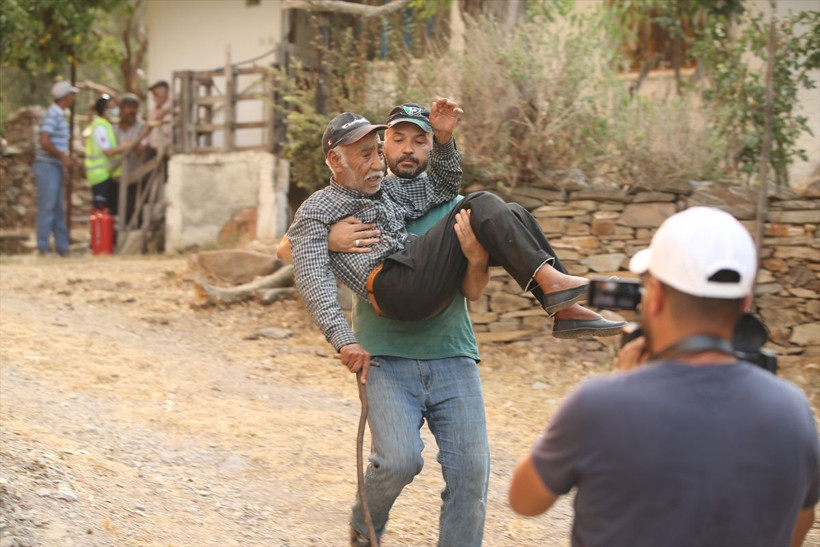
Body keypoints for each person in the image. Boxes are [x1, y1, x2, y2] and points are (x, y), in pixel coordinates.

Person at [508, 207, 819, 547]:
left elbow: (524, 500)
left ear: (654, 296)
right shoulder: (793, 411)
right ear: (744, 304)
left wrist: (623, 388)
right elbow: (796, 530)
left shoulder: (599, 404)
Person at [279, 103, 493, 546]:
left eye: (420, 140)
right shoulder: (348, 202)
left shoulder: (436, 200)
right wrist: (328, 238)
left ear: (433, 147)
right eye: (394, 142)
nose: (399, 152)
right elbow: (295, 251)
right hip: (386, 356)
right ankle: (366, 522)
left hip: (452, 352)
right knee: (397, 461)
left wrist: (476, 259)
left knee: (472, 474)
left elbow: (473, 290)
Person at [287, 101, 624, 380]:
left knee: (515, 212)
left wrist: (445, 141)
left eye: (377, 153)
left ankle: (566, 310)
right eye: (365, 156)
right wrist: (344, 342)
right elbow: (313, 282)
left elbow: (445, 186)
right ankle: (555, 286)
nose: (377, 163)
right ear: (335, 161)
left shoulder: (387, 189)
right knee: (481, 202)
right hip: (393, 286)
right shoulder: (317, 209)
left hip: (420, 276)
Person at [33, 80, 77, 256]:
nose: (73, 98)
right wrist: (62, 157)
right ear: (65, 97)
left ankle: (62, 247)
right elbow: (44, 141)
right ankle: (43, 246)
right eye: (71, 95)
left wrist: (63, 166)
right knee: (47, 206)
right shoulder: (53, 115)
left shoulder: (59, 115)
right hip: (47, 165)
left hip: (55, 166)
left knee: (58, 208)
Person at [84, 94, 131, 215]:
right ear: (105, 110)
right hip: (99, 175)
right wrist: (124, 147)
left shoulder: (106, 126)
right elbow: (108, 152)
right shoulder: (100, 127)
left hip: (107, 174)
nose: (115, 110)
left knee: (110, 211)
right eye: (112, 107)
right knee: (101, 211)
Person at [115, 93, 146, 226]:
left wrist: (135, 146)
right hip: (115, 176)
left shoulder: (142, 128)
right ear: (121, 110)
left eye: (134, 107)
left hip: (134, 176)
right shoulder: (113, 128)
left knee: (132, 210)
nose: (132, 111)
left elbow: (143, 150)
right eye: (128, 107)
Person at [145, 80, 171, 158]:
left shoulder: (175, 109)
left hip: (167, 152)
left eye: (156, 94)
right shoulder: (152, 111)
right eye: (153, 94)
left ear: (165, 92)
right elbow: (148, 131)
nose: (154, 98)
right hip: (152, 150)